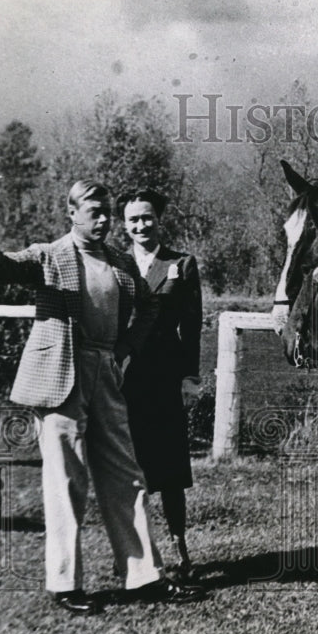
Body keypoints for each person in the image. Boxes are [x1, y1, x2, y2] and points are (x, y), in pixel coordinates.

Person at [0, 181, 205, 613]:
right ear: (72, 214)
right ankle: (66, 584)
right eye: (95, 212)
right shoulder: (49, 255)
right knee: (66, 482)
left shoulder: (121, 263)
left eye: (108, 212)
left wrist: (125, 350)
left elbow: (149, 309)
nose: (105, 220)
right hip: (59, 376)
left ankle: (143, 577)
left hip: (106, 372)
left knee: (127, 476)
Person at [117, 189, 202, 579]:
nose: (141, 226)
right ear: (124, 224)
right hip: (124, 375)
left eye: (147, 218)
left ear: (159, 219)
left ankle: (179, 546)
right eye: (133, 220)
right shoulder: (115, 264)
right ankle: (134, 553)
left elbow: (192, 326)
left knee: (169, 468)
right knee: (129, 466)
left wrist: (189, 377)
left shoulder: (181, 264)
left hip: (165, 376)